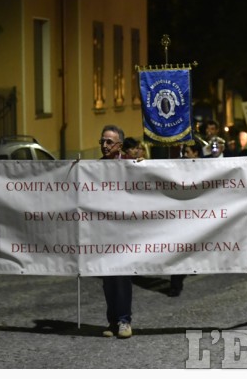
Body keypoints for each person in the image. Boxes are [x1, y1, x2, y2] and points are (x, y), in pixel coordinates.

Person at [99, 125, 133, 338]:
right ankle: (112, 320)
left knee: (121, 277)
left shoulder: (130, 165)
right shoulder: (95, 166)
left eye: (109, 142)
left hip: (123, 231)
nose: (104, 145)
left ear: (119, 145)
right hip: (102, 230)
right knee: (107, 279)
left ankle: (124, 321)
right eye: (102, 141)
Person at [168, 141, 203, 296]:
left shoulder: (205, 169)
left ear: (195, 153)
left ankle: (189, 267)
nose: (185, 154)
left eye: (188, 151)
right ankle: (176, 283)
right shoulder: (179, 167)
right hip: (180, 215)